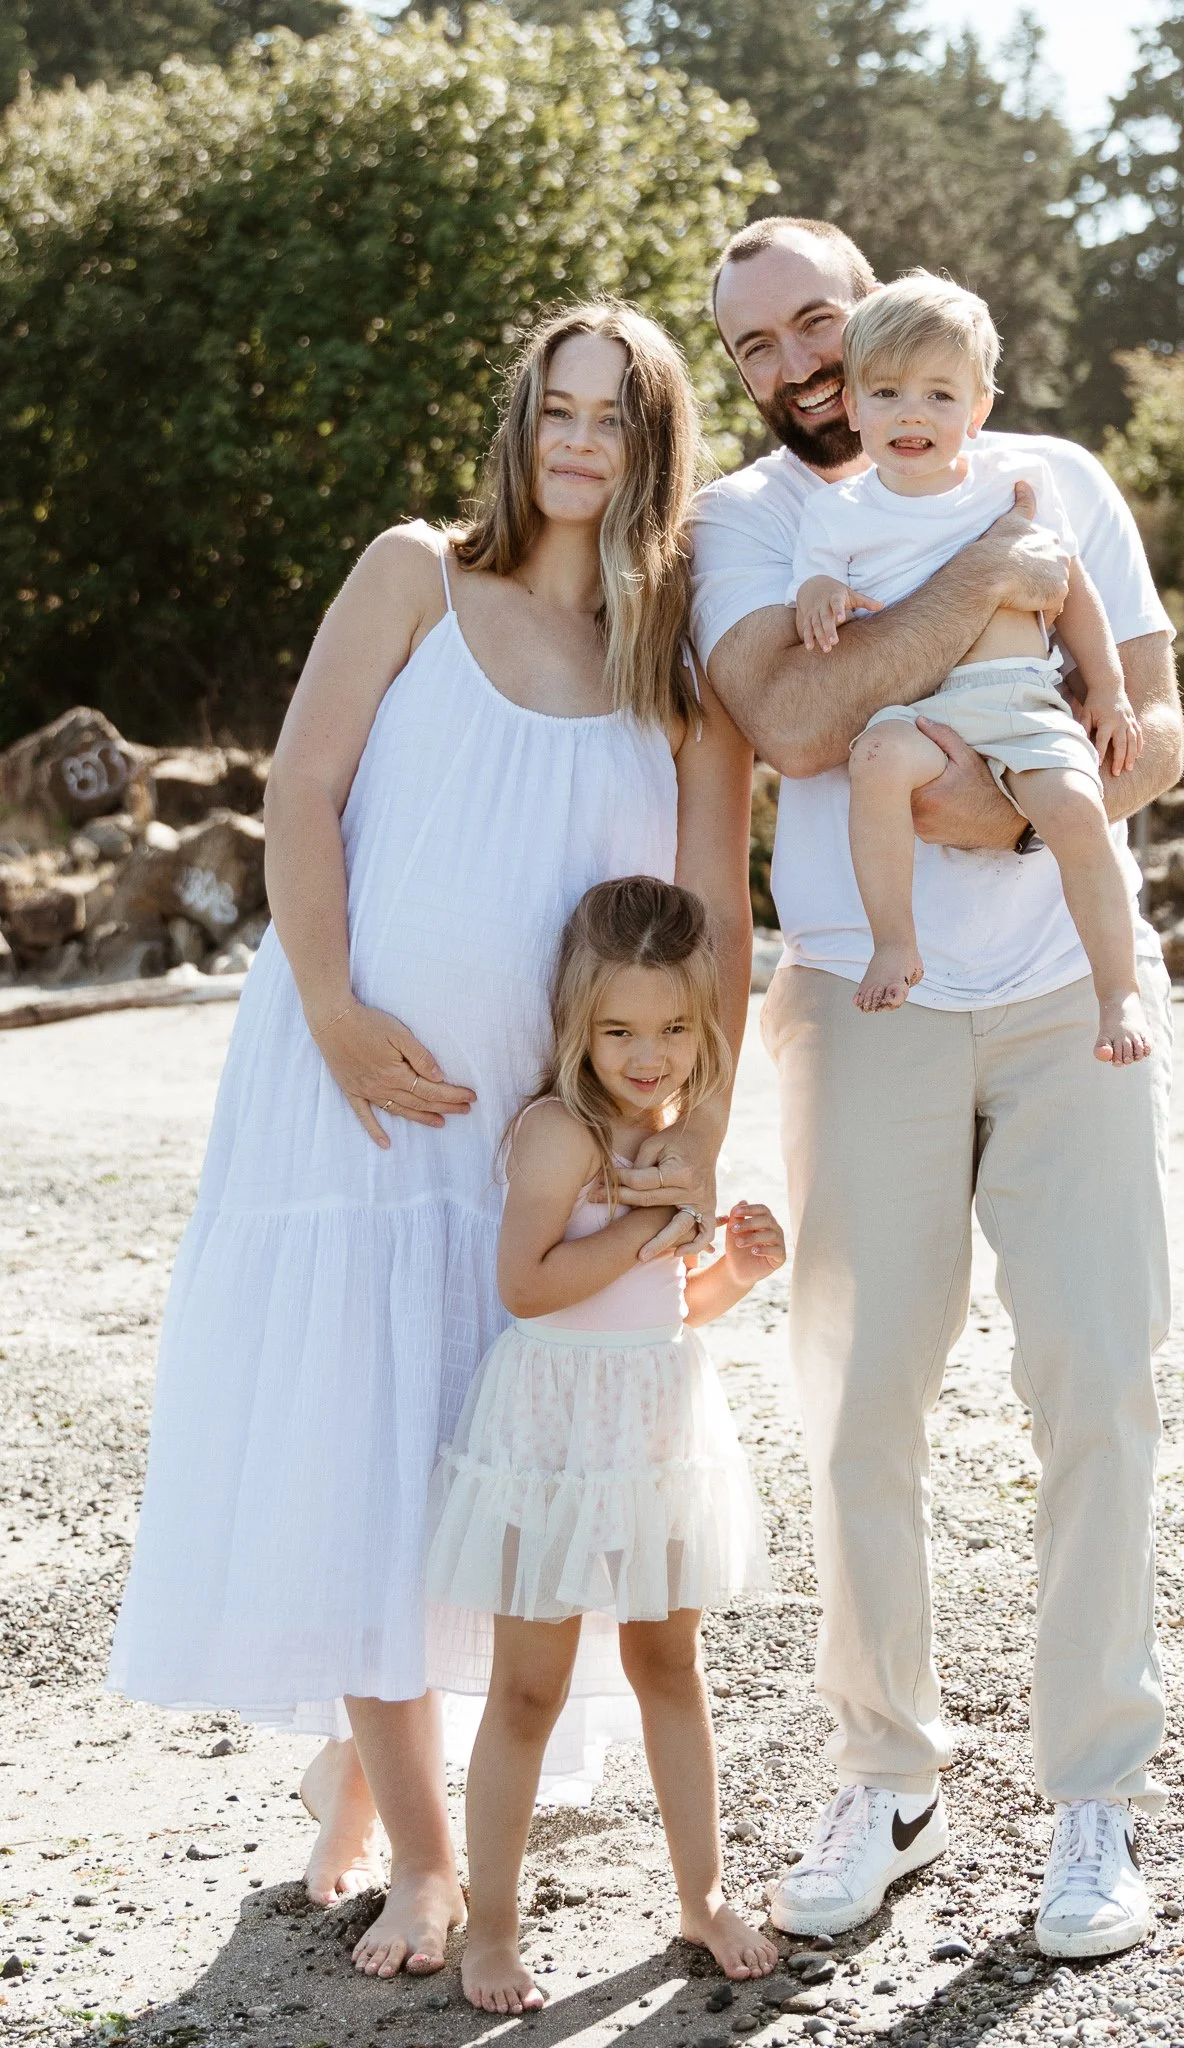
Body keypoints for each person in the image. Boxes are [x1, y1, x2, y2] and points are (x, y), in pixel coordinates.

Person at [107, 304, 755, 1981]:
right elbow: (302, 790)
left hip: (555, 1131)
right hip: (363, 1090)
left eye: (615, 416)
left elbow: (710, 927)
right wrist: (327, 1001)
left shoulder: (672, 662)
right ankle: (424, 1856)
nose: (577, 439)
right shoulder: (412, 570)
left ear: (654, 445)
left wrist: (695, 1146)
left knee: (496, 1459)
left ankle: (377, 1778)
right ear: (520, 420)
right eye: (556, 405)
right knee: (366, 1450)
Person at [692, 218, 1183, 1959]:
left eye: (817, 318)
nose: (801, 363)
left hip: (1067, 996)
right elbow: (806, 722)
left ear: (887, 314)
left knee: (1098, 1393)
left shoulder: (1056, 469)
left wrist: (1020, 809)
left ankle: (1094, 1800)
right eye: (757, 345)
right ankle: (887, 1776)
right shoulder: (750, 522)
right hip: (862, 992)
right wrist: (976, 591)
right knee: (858, 1406)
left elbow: (1160, 733)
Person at [426, 877, 784, 2011]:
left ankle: (702, 1892)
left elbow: (671, 1301)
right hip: (551, 1430)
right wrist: (640, 1227)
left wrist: (740, 1268)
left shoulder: (676, 1134)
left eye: (675, 1028)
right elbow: (528, 1287)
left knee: (670, 1661)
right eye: (622, 1028)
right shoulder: (558, 1134)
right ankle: (490, 1928)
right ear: (578, 1019)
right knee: (529, 1686)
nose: (650, 1053)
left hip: (655, 1421)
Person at [792, 272, 1149, 1066]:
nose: (910, 413)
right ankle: (894, 942)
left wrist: (1111, 685)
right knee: (875, 763)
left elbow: (1072, 587)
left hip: (1021, 699)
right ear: (851, 407)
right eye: (885, 393)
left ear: (978, 411)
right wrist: (818, 591)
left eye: (939, 396)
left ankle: (1115, 988)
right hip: (923, 711)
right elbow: (813, 582)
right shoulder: (837, 512)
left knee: (1076, 809)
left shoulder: (1011, 487)